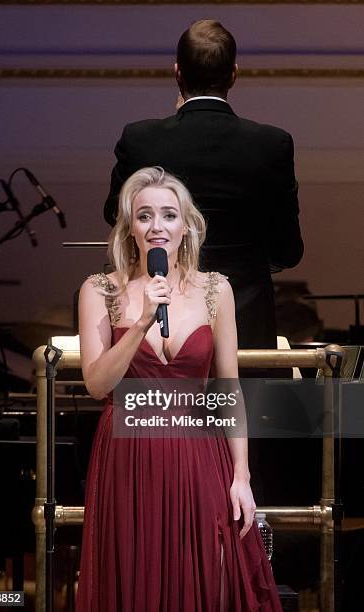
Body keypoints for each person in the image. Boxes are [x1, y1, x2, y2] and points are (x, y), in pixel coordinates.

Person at [77, 167, 282, 611]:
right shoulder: (99, 290)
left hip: (199, 449)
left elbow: (228, 389)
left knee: (210, 574)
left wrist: (241, 476)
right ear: (130, 226)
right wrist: (142, 322)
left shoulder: (215, 290)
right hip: (129, 455)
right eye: (145, 215)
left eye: (169, 215)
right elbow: (96, 384)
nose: (157, 226)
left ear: (186, 226)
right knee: (135, 578)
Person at [103, 19, 303, 351]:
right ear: (234, 74)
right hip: (246, 321)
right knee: (242, 404)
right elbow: (289, 250)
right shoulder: (272, 144)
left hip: (162, 319)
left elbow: (115, 214)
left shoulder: (141, 139)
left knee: (158, 404)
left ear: (177, 72)